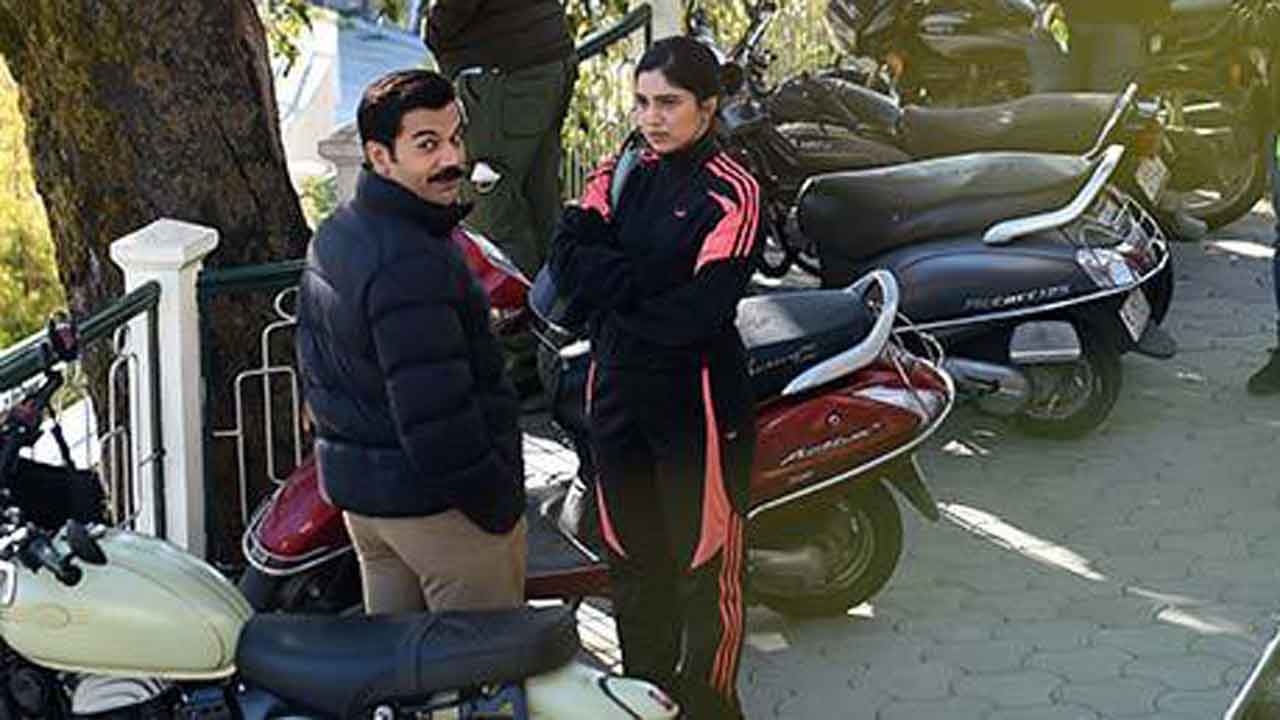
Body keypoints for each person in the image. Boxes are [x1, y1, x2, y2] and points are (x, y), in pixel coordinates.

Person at [548, 36, 759, 719]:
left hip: (694, 401)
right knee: (633, 564)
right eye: (641, 102)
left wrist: (612, 289)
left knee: (704, 569)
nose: (652, 118)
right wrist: (645, 283)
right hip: (614, 393)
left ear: (709, 106)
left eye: (668, 103)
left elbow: (701, 313)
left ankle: (709, 706)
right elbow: (566, 252)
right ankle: (646, 700)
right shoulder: (622, 167)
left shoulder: (734, 190)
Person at [296, 69, 527, 614]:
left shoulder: (339, 232)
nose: (452, 158)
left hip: (368, 510)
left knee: (406, 690)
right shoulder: (411, 264)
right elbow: (437, 420)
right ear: (379, 156)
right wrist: (498, 504)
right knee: (481, 684)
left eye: (454, 138)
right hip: (439, 515)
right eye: (427, 145)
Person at [422, 0, 576, 278]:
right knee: (540, 196)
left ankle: (526, 313)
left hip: (506, 75)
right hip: (546, 59)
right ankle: (558, 306)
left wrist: (435, 30)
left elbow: (451, 15)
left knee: (492, 208)